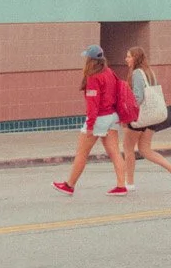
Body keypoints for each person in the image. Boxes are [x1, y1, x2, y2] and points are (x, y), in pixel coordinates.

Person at [53, 45, 129, 194]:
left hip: (99, 118)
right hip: (113, 116)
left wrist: (89, 125)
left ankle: (69, 185)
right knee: (115, 152)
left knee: (82, 153)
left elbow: (93, 104)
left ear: (90, 60)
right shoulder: (109, 72)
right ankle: (121, 185)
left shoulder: (93, 77)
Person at [122, 46, 171, 190]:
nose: (126, 59)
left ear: (135, 58)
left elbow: (139, 97)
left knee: (128, 148)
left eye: (129, 56)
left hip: (140, 117)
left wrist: (128, 113)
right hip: (153, 117)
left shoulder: (137, 73)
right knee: (144, 149)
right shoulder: (149, 72)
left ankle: (129, 183)